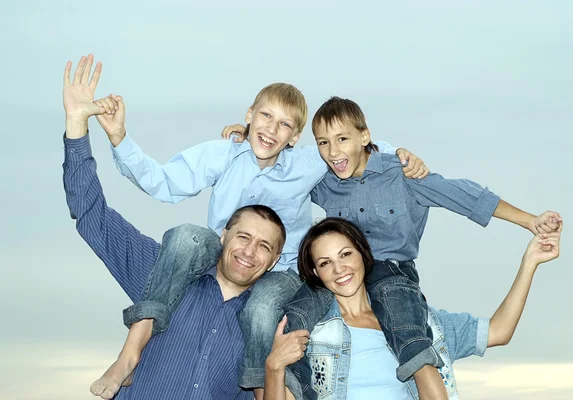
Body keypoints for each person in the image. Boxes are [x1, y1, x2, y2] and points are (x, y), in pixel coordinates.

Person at [89, 58, 427, 397]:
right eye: (265, 116)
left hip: (279, 271)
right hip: (225, 254)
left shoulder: (307, 164)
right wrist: (120, 138)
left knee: (262, 309)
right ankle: (130, 354)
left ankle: (257, 388)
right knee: (183, 237)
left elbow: (349, 145)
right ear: (250, 115)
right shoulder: (224, 154)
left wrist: (395, 154)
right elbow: (164, 182)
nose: (271, 129)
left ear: (295, 137)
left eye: (284, 125)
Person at [222, 96, 562, 398]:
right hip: (344, 286)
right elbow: (282, 172)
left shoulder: (402, 175)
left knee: (408, 333)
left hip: (393, 272)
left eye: (342, 139)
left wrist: (529, 222)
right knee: (295, 314)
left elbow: (465, 196)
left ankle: (425, 377)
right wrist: (251, 135)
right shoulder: (324, 181)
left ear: (364, 137)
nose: (333, 151)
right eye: (324, 143)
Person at [62, 54, 286, 400]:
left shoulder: (266, 326)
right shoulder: (163, 273)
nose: (249, 251)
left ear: (273, 261)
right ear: (222, 236)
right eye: (243, 236)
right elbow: (92, 216)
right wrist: (77, 125)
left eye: (264, 246)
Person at [265, 217, 562, 399]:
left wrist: (530, 262)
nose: (339, 268)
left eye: (345, 254)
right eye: (325, 263)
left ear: (363, 256)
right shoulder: (313, 335)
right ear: (316, 273)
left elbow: (499, 331)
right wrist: (273, 366)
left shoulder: (417, 322)